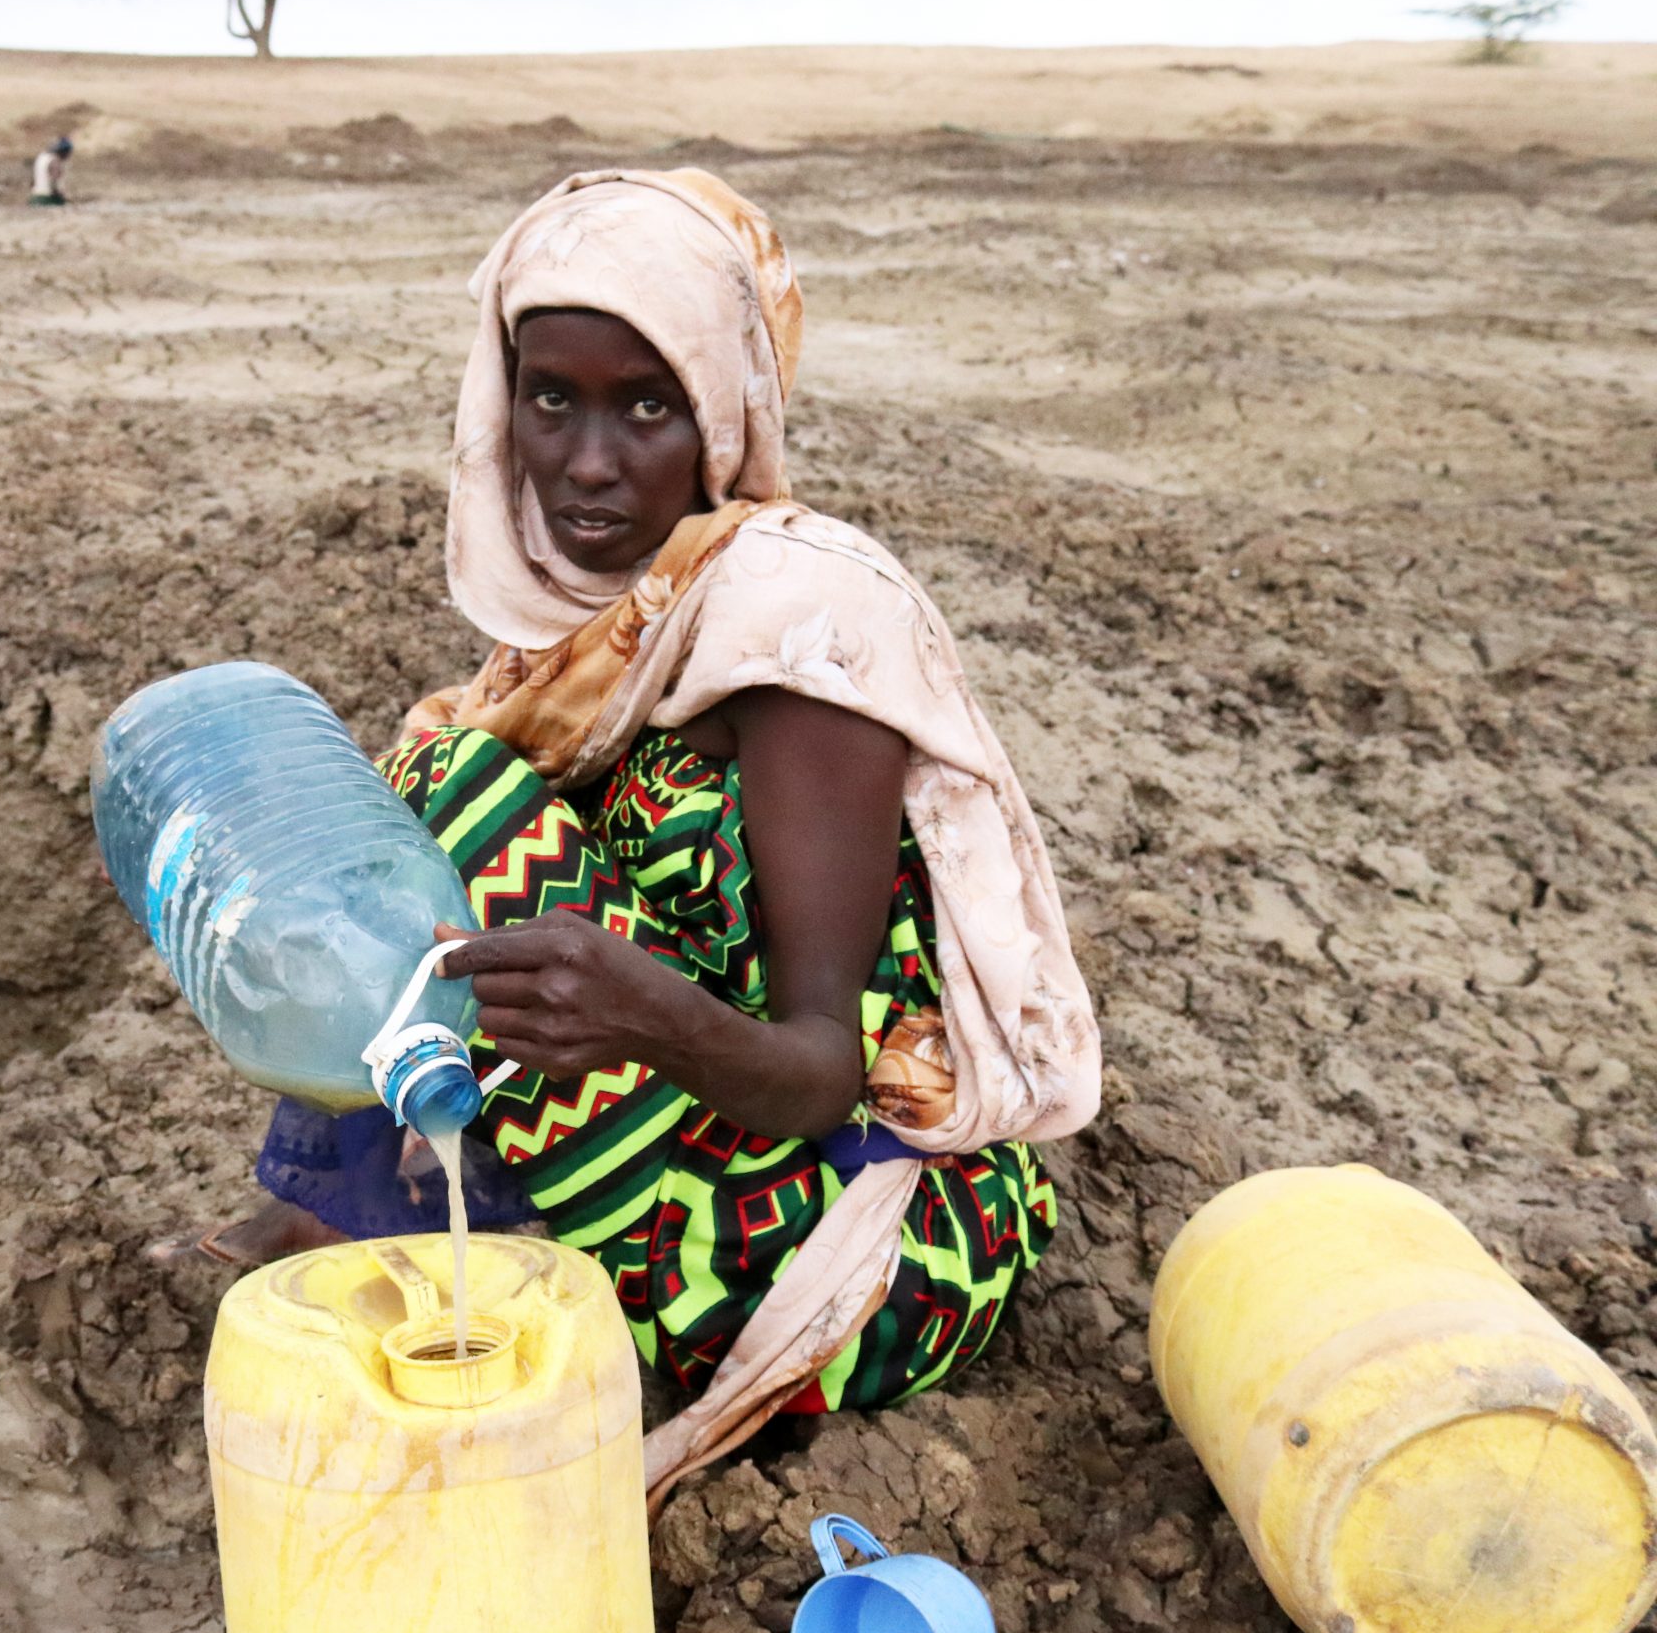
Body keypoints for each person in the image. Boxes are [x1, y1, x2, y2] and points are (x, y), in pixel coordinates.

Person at [170, 170, 1102, 1503]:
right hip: (691, 1116)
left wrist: (646, 1015)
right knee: (423, 814)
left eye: (648, 405)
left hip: (850, 1222)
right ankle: (366, 1200)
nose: (588, 461)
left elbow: (820, 1069)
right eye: (553, 397)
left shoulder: (801, 643)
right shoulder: (604, 624)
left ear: (721, 416)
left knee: (456, 797)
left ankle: (510, 1251)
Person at [29, 135, 72, 206]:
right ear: (63, 151)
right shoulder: (55, 161)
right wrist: (60, 196)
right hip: (47, 199)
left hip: (34, 198)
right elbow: (53, 182)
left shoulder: (41, 157)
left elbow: (32, 181)